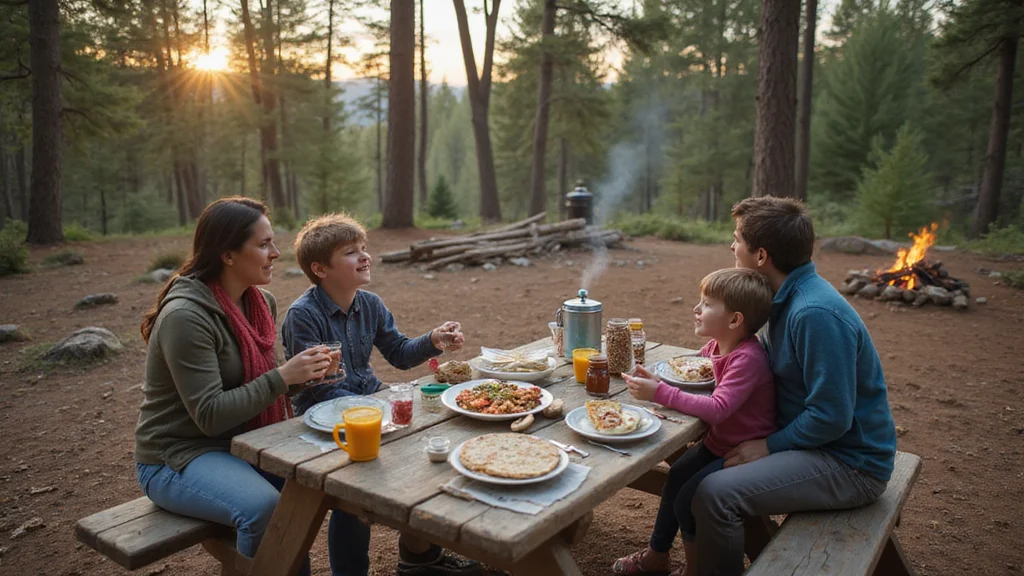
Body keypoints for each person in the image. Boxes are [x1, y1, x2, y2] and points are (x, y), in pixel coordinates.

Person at [691, 196, 897, 576]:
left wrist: (768, 445)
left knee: (715, 494)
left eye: (737, 239)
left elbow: (832, 416)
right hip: (818, 445)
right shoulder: (780, 298)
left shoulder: (814, 314)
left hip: (851, 463)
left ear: (761, 255)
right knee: (698, 465)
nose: (731, 246)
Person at [134, 197, 332, 575]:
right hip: (177, 455)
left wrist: (304, 374)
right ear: (227, 254)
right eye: (263, 244)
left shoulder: (259, 302)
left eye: (273, 242)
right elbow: (210, 416)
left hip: (243, 442)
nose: (275, 253)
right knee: (264, 508)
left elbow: (256, 386)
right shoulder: (185, 316)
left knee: (314, 483)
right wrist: (283, 377)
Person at [281, 213, 479, 576]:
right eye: (351, 252)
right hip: (323, 421)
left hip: (373, 403)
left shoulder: (369, 303)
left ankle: (421, 557)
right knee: (352, 494)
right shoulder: (302, 316)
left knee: (427, 457)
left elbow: (400, 353)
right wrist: (377, 409)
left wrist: (433, 340)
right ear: (320, 269)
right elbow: (319, 388)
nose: (364, 257)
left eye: (364, 249)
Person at [612, 268, 776, 576]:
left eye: (707, 304)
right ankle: (656, 555)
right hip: (719, 443)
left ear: (734, 320)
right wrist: (658, 378)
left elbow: (716, 409)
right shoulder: (715, 348)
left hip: (743, 452)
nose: (696, 309)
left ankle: (695, 569)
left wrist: (660, 391)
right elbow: (689, 376)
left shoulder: (747, 359)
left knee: (690, 499)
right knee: (676, 477)